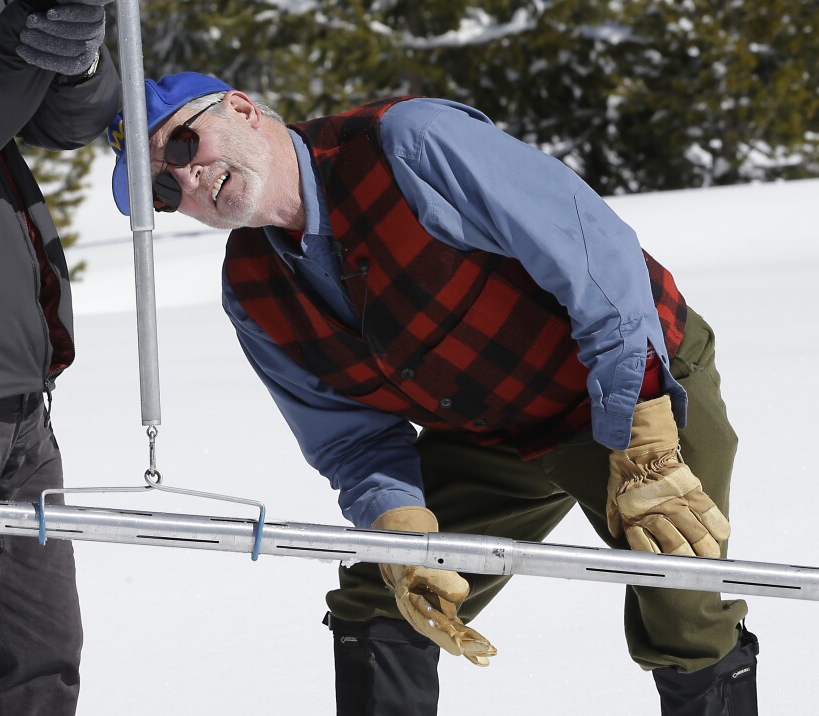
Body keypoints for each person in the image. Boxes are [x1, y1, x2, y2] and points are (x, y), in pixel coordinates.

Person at [107, 72, 759, 715]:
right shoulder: (252, 290)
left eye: (184, 146)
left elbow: (599, 266)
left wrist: (644, 435)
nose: (186, 178)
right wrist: (403, 530)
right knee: (383, 601)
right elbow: (352, 440)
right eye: (162, 187)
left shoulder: (411, 145)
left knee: (682, 592)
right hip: (489, 433)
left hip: (627, 382)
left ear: (243, 109)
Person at [0, 0, 119, 712]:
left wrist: (77, 60)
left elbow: (67, 124)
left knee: (41, 658)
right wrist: (23, 39)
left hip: (14, 385)